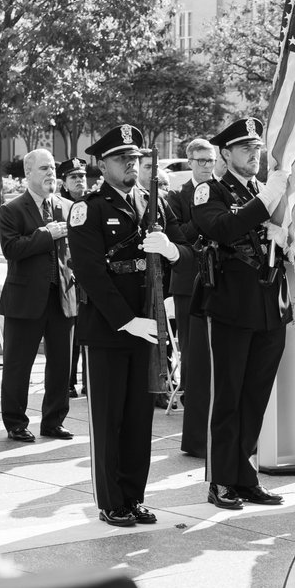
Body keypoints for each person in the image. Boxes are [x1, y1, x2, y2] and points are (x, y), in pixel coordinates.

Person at [67, 124, 190, 526]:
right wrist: (126, 321)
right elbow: (89, 273)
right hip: (109, 329)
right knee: (109, 419)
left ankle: (134, 497)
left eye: (134, 158)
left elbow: (181, 242)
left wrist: (172, 256)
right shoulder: (89, 208)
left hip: (150, 323)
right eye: (122, 159)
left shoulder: (152, 201)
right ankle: (111, 501)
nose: (130, 165)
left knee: (140, 419)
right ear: (102, 165)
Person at [191, 117, 290, 510]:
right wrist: (267, 203)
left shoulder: (265, 191)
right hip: (231, 304)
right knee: (228, 397)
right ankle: (220, 480)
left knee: (255, 398)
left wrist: (286, 234)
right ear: (226, 153)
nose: (255, 154)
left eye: (257, 148)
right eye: (246, 148)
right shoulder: (208, 191)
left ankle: (246, 477)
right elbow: (224, 229)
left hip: (269, 305)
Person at [0, 148, 76, 443]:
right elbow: (11, 249)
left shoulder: (67, 208)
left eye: (53, 169)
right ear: (27, 173)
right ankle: (16, 423)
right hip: (25, 300)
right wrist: (47, 234)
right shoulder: (12, 209)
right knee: (18, 365)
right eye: (43, 169)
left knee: (61, 365)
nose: (50, 174)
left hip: (62, 298)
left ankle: (54, 421)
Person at [166, 138, 215, 458]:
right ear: (189, 163)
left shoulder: (221, 191)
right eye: (201, 161)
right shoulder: (176, 196)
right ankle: (195, 430)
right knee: (193, 354)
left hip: (219, 283)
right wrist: (203, 219)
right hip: (187, 285)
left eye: (211, 161)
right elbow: (179, 237)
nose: (207, 167)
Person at [57, 158, 89, 397]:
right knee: (71, 337)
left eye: (82, 176)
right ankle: (68, 382)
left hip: (89, 278)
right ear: (64, 183)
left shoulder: (92, 203)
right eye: (74, 177)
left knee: (89, 332)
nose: (80, 181)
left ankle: (90, 382)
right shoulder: (61, 206)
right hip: (68, 278)